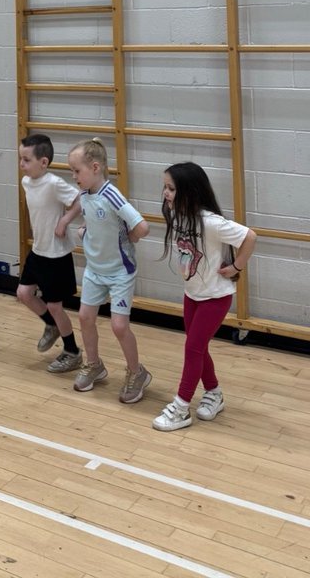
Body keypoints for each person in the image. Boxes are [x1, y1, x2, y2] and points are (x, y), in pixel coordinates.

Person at [153, 161, 257, 432]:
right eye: (165, 187)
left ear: (189, 192)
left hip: (216, 296)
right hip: (193, 294)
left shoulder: (211, 222)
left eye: (171, 188)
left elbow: (250, 237)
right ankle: (214, 392)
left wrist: (236, 268)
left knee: (193, 348)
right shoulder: (177, 215)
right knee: (198, 347)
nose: (165, 193)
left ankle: (181, 407)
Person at [68, 139, 151, 401]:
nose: (73, 176)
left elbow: (142, 227)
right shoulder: (84, 194)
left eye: (76, 171)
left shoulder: (112, 194)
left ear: (94, 168)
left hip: (120, 272)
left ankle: (137, 372)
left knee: (118, 326)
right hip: (95, 269)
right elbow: (95, 221)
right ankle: (94, 365)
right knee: (85, 317)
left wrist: (132, 237)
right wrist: (85, 230)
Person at [16, 133, 83, 374]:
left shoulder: (54, 183)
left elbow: (79, 200)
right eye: (21, 159)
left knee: (55, 306)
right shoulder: (26, 182)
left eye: (26, 160)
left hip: (56, 255)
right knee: (24, 293)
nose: (22, 164)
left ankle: (72, 352)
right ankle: (51, 326)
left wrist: (64, 221)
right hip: (38, 250)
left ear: (43, 162)